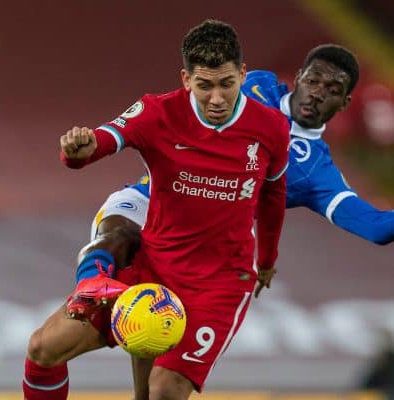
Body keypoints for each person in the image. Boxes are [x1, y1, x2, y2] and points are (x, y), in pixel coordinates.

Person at [23, 19, 290, 400]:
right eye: (204, 85)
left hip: (218, 283)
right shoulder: (157, 112)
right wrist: (77, 151)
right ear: (186, 79)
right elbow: (101, 141)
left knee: (163, 391)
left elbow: (273, 195)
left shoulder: (271, 127)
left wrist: (267, 259)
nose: (216, 98)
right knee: (42, 349)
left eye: (227, 84)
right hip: (153, 269)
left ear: (242, 74)